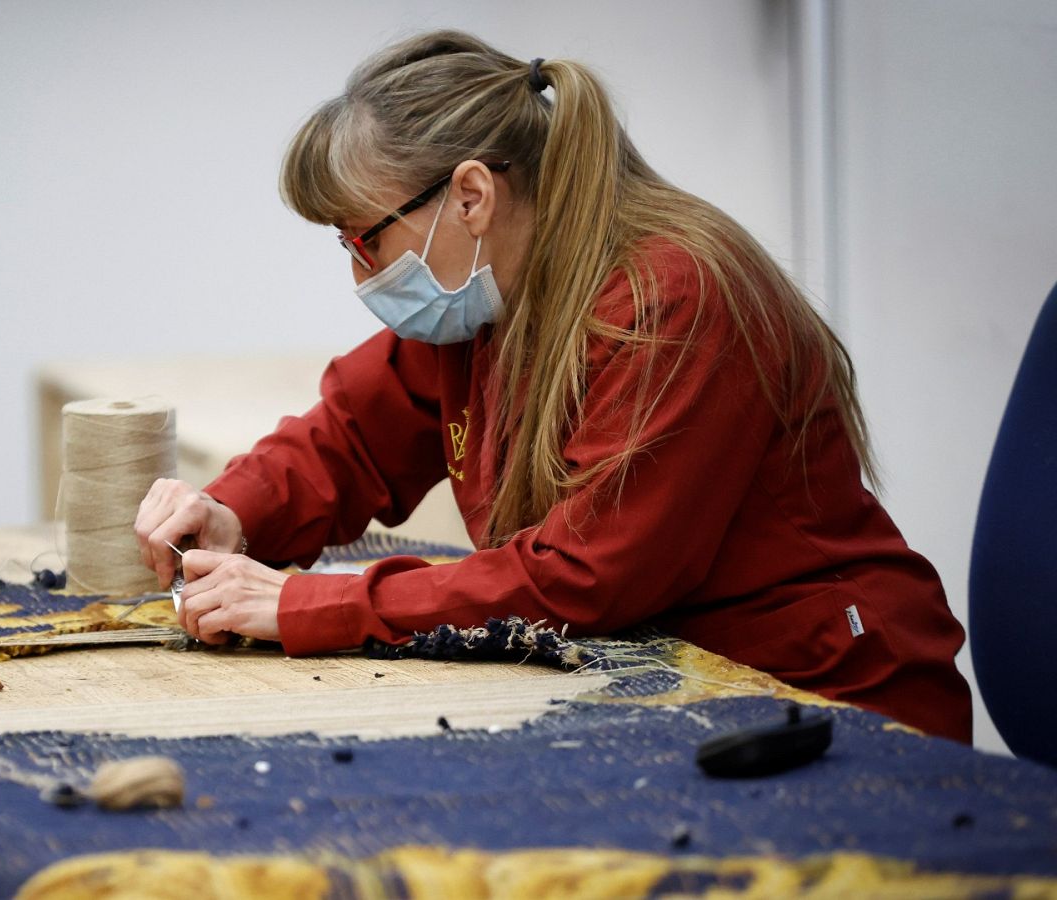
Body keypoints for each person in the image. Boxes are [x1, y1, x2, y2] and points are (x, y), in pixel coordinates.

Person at [132, 30, 971, 742]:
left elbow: (585, 576)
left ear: (470, 195)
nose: (359, 272)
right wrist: (236, 511)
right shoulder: (485, 302)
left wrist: (313, 603)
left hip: (827, 703)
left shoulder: (673, 297)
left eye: (364, 239)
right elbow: (350, 435)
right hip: (673, 683)